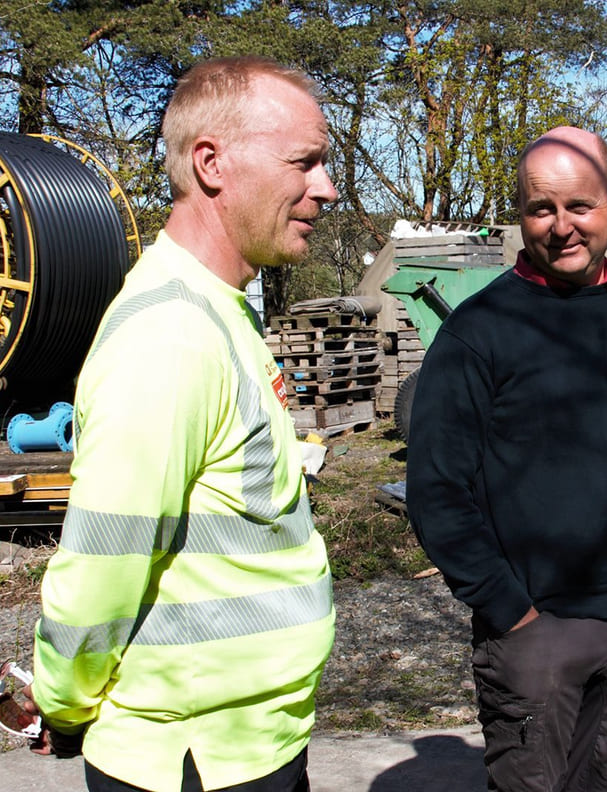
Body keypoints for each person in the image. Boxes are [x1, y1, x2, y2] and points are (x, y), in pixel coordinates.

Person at [28, 56, 338, 791]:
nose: (325, 188)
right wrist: (62, 703)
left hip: (243, 744)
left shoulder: (215, 313)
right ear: (211, 163)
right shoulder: (168, 334)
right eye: (305, 161)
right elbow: (105, 562)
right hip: (194, 759)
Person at [406, 126, 607, 792]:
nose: (560, 227)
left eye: (579, 205)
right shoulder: (479, 332)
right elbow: (437, 489)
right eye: (540, 209)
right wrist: (510, 611)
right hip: (537, 631)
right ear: (520, 214)